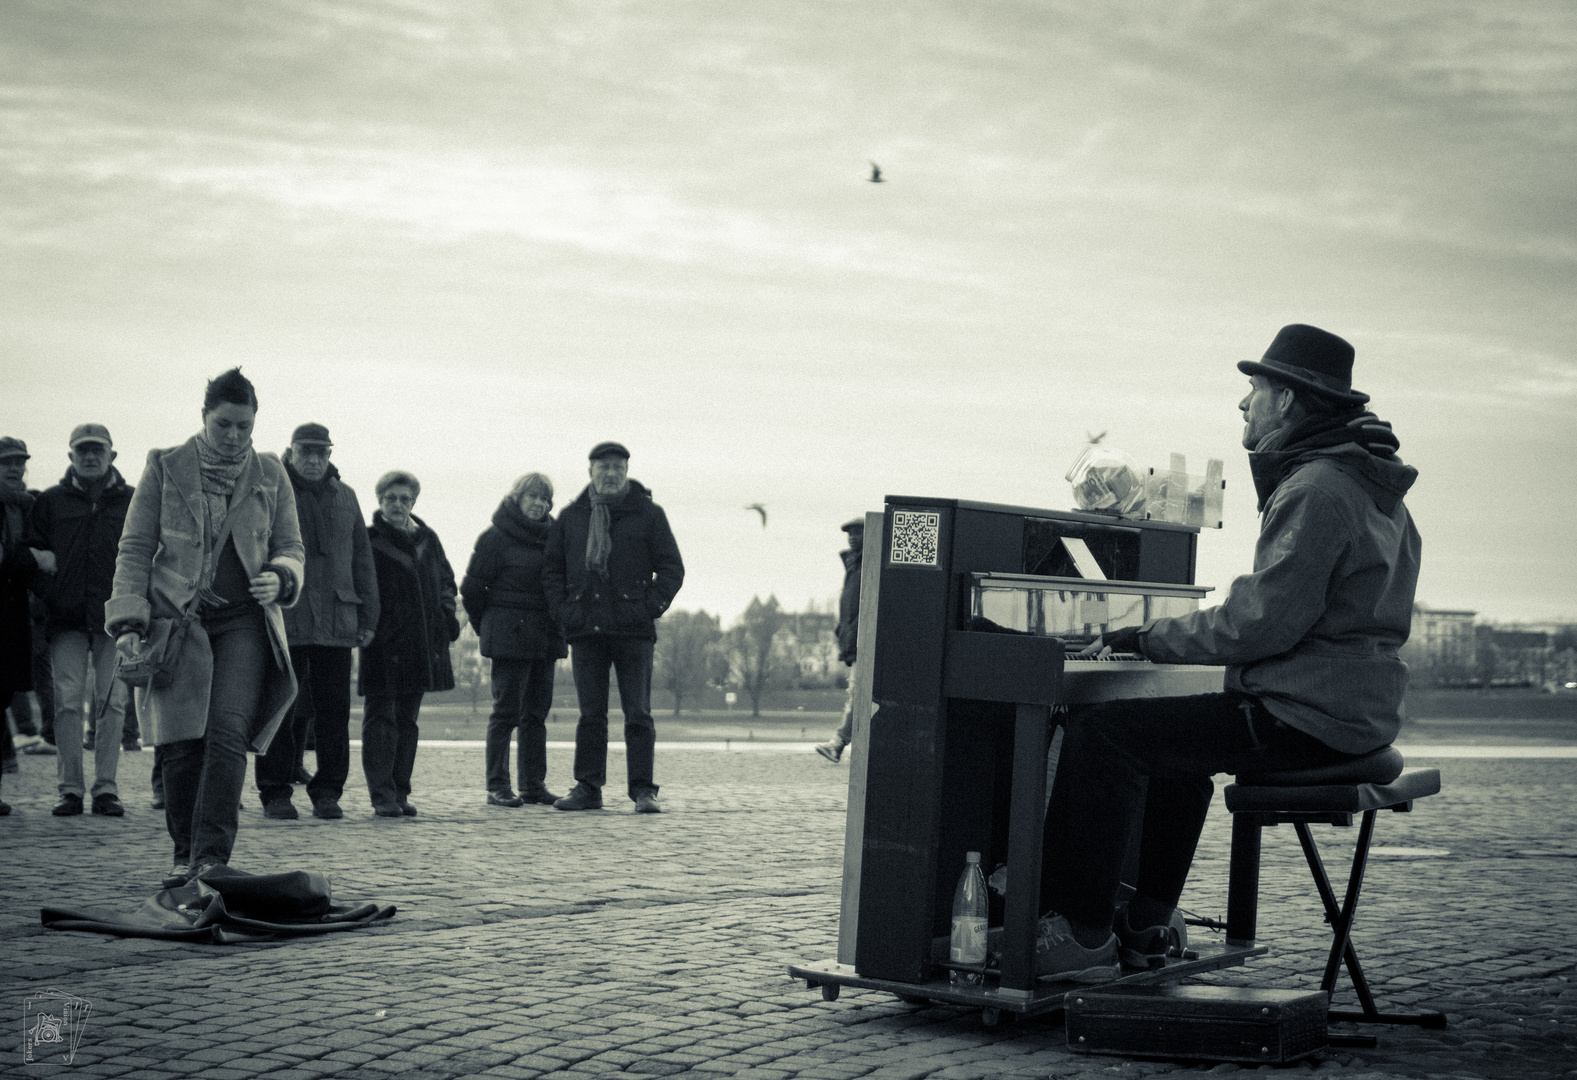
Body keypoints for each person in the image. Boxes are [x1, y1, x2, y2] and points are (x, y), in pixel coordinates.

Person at [1032, 324, 1421, 983]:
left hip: (1306, 720)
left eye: (1255, 389)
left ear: (1290, 402)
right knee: (1176, 748)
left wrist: (1138, 636)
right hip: (1354, 712)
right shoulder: (1374, 492)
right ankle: (1148, 925)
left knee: (1103, 736)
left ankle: (1082, 936)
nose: (1243, 404)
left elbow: (1256, 626)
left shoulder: (1317, 490)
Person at [106, 368, 303, 886]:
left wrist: (282, 577)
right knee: (181, 741)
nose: (235, 436)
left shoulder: (270, 473)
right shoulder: (165, 467)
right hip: (178, 624)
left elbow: (291, 546)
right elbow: (135, 548)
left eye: (244, 426)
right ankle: (183, 854)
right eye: (224, 425)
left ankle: (212, 858)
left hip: (244, 623)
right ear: (203, 419)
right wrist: (128, 620)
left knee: (227, 733)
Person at [542, 442, 684, 814]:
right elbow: (551, 570)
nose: (610, 473)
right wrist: (564, 611)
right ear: (590, 471)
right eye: (603, 467)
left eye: (618, 467)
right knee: (591, 716)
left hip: (633, 631)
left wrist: (648, 607)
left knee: (638, 713)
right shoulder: (571, 517)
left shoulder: (649, 514)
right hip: (585, 629)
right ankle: (588, 788)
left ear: (626, 472)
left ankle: (643, 791)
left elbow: (671, 568)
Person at [255, 423, 379, 821]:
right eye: (305, 452)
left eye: (321, 453)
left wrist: (369, 617)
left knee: (333, 714)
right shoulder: (272, 493)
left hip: (337, 624)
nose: (313, 460)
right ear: (290, 453)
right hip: (287, 619)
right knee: (281, 709)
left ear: (329, 455)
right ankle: (275, 792)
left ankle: (328, 791)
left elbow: (362, 559)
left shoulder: (347, 497)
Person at [30, 423, 135, 816]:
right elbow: (33, 554)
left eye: (97, 450)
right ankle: (70, 790)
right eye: (82, 450)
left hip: (117, 618)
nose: (90, 456)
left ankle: (106, 789)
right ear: (71, 456)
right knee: (67, 704)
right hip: (66, 619)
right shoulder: (51, 502)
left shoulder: (133, 501)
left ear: (112, 455)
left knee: (113, 704)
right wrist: (48, 595)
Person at [462, 472, 568, 807]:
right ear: (518, 498)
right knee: (505, 712)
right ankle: (497, 785)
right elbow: (472, 591)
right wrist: (491, 627)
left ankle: (533, 785)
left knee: (536, 714)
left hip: (545, 636)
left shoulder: (556, 539)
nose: (538, 504)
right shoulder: (495, 538)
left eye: (544, 499)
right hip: (509, 636)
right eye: (532, 496)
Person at [358, 470, 458, 818]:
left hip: (422, 643)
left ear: (413, 502)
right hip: (384, 643)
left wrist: (446, 617)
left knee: (408, 721)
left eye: (404, 499)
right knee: (380, 718)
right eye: (391, 498)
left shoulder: (428, 539)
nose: (398, 504)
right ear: (380, 501)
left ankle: (401, 790)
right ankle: (381, 794)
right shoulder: (369, 540)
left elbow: (446, 580)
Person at [2, 437, 58, 814]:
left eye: (20, 461)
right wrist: (30, 558)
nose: (15, 467)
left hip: (18, 612)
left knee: (9, 689)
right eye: (7, 461)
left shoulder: (27, 506)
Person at [815, 518, 865, 764]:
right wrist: (841, 630)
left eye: (858, 533)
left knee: (857, 693)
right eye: (850, 534)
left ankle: (838, 742)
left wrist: (852, 631)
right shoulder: (854, 567)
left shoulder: (868, 567)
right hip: (855, 641)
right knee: (857, 693)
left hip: (863, 642)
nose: (852, 538)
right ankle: (840, 743)